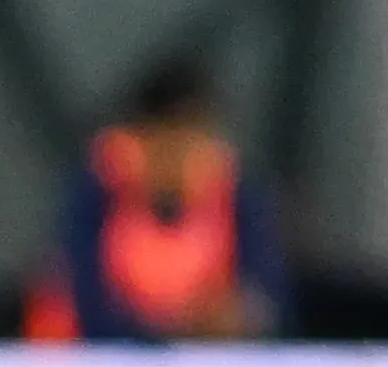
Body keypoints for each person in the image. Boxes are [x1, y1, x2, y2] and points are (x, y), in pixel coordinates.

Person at [27, 56, 291, 343]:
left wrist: (242, 315)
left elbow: (270, 296)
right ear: (138, 140)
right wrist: (178, 330)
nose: (179, 160)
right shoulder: (95, 193)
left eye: (193, 142)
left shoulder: (239, 196)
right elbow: (85, 301)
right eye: (168, 144)